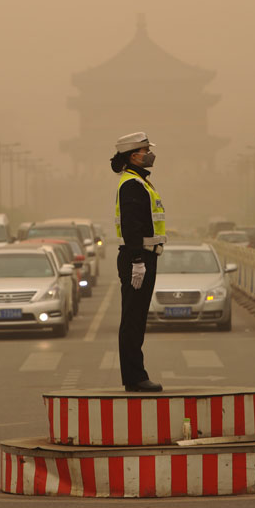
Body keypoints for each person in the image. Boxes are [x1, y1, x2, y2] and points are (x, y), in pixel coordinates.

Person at [111, 132, 166, 392]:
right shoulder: (132, 184)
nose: (149, 154)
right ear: (134, 155)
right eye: (145, 150)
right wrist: (137, 261)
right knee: (132, 319)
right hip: (138, 256)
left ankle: (135, 375)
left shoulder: (139, 182)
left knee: (137, 317)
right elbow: (132, 226)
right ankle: (134, 377)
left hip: (144, 255)